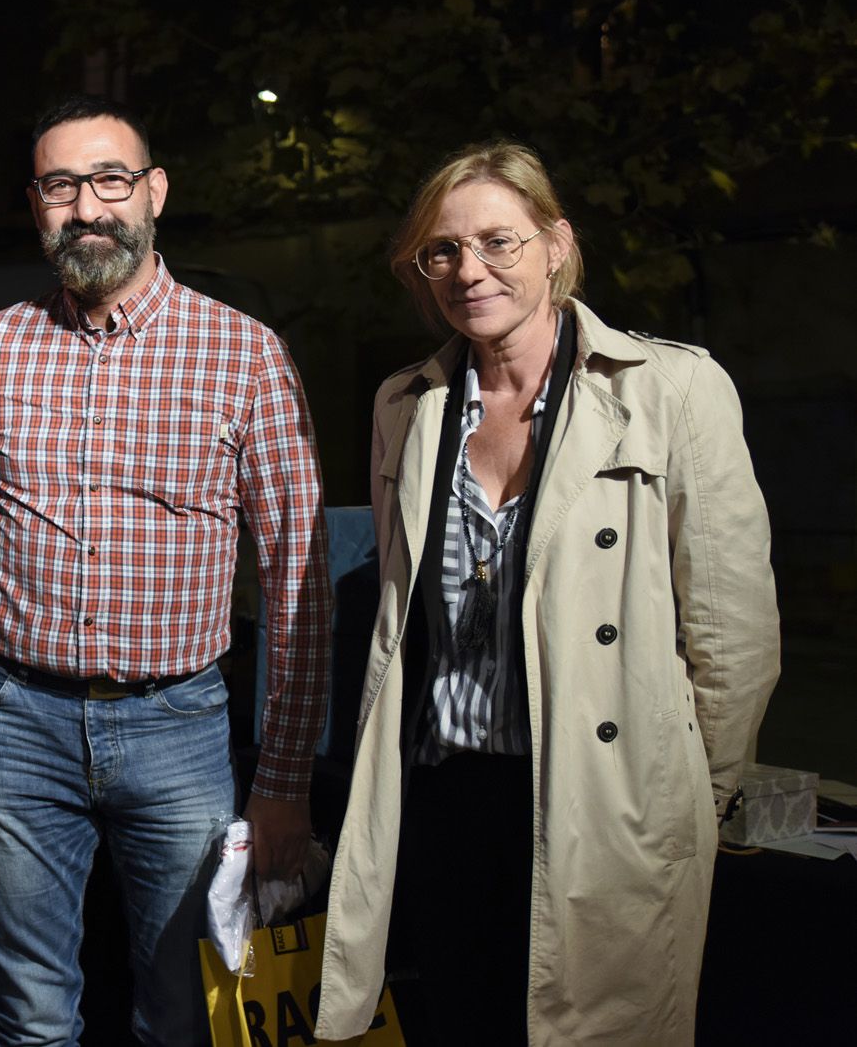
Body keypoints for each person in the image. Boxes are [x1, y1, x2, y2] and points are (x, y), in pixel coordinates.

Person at [314, 141, 780, 1045]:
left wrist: (682, 796)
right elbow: (403, 618)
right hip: (445, 798)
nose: (469, 269)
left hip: (602, 804)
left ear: (556, 243)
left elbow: (734, 638)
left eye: (499, 241)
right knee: (457, 1019)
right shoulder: (407, 404)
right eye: (441, 251)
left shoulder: (671, 389)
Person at [0, 95, 330, 1047]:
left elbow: (298, 583)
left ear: (154, 190)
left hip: (179, 728)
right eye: (61, 186)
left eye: (110, 180)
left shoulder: (245, 355)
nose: (88, 207)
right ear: (35, 205)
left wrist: (282, 779)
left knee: (181, 1014)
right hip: (14, 724)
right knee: (27, 1012)